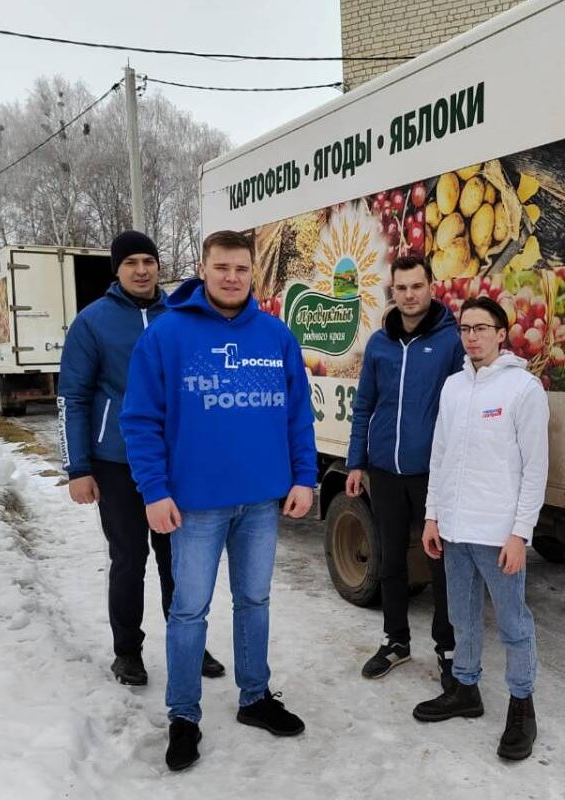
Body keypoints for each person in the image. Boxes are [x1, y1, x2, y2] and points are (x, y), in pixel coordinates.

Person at [120, 229, 317, 772]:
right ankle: (184, 715)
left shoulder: (276, 336)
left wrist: (304, 478)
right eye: (222, 267)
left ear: (253, 273)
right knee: (188, 611)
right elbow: (139, 421)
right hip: (196, 506)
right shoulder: (167, 335)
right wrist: (154, 492)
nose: (232, 277)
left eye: (242, 269)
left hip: (260, 503)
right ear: (203, 269)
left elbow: (298, 415)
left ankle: (255, 697)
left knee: (254, 602)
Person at [57, 230, 224, 687]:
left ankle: (188, 641)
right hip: (116, 463)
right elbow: (72, 396)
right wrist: (79, 468)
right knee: (130, 560)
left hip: (177, 463)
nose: (142, 269)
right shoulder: (93, 322)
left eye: (148, 260)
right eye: (130, 262)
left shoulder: (181, 316)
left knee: (181, 561)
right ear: (117, 269)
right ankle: (127, 651)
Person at [413, 296, 549, 762]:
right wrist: (433, 516)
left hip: (498, 535)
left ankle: (522, 705)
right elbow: (440, 456)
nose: (471, 336)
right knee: (462, 618)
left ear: (500, 332)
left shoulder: (523, 390)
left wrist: (520, 534)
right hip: (454, 529)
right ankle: (465, 689)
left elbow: (535, 470)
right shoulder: (453, 387)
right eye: (465, 328)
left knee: (512, 623)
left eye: (481, 328)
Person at [345, 254, 463, 687]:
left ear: (431, 286)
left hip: (433, 474)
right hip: (384, 470)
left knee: (440, 563)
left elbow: (461, 409)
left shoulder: (450, 342)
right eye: (402, 288)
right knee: (390, 558)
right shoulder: (379, 344)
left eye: (417, 286)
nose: (409, 295)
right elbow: (364, 407)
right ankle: (396, 641)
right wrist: (356, 461)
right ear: (391, 291)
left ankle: (448, 649)